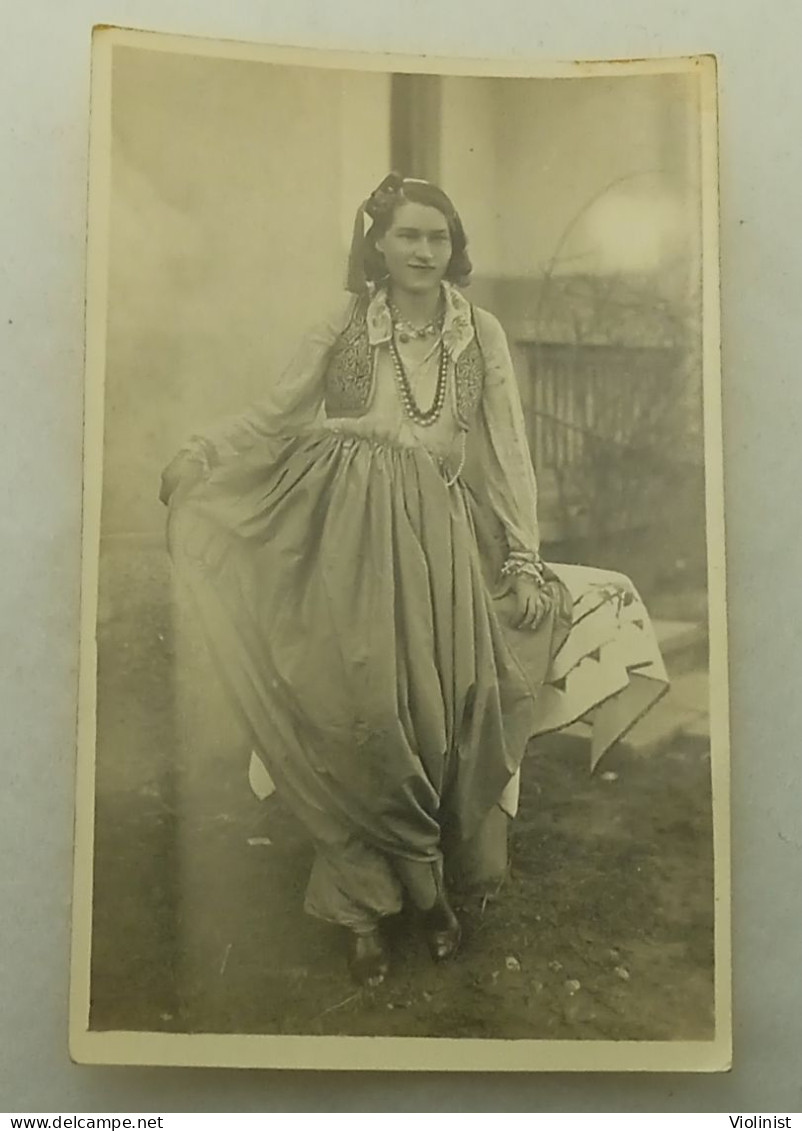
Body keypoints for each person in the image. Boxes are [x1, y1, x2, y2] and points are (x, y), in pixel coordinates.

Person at [160, 173, 668, 987]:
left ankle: (409, 886)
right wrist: (205, 452)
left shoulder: (482, 333)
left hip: (438, 539)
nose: (423, 251)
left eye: (437, 236)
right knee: (356, 711)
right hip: (336, 534)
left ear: (454, 244)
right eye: (407, 236)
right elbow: (277, 414)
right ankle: (382, 906)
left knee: (442, 714)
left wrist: (525, 558)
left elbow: (509, 453)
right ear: (378, 244)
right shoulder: (342, 321)